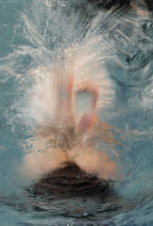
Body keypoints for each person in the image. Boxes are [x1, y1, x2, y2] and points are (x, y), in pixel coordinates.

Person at [21, 56, 118, 200]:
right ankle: (67, 114)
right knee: (47, 140)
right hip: (76, 185)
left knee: (86, 150)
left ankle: (80, 125)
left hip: (78, 183)